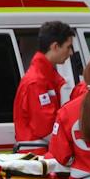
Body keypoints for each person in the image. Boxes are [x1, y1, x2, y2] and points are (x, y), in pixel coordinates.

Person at [13, 21, 75, 153]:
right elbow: (45, 128)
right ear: (55, 46)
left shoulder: (44, 77)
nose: (71, 53)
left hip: (41, 155)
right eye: (68, 47)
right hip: (38, 158)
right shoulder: (37, 81)